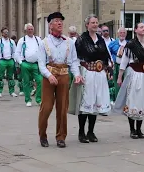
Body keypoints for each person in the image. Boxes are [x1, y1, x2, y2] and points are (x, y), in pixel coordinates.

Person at [38, 12, 82, 148]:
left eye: (61, 21)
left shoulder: (69, 42)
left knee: (62, 108)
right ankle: (42, 135)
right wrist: (49, 75)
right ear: (50, 25)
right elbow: (40, 64)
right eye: (56, 21)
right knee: (46, 107)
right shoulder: (44, 42)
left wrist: (77, 74)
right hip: (49, 75)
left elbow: (73, 61)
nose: (59, 23)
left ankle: (61, 137)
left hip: (63, 74)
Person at [71, 14, 113, 143]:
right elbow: (76, 58)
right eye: (92, 22)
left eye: (96, 22)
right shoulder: (81, 39)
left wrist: (109, 68)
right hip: (87, 72)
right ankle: (81, 131)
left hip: (99, 74)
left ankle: (91, 131)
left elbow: (106, 56)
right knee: (86, 103)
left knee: (96, 102)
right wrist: (77, 74)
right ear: (87, 25)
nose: (95, 24)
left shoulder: (100, 40)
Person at [114, 22, 144, 139]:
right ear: (135, 30)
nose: (143, 29)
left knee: (143, 101)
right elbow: (124, 61)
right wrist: (120, 76)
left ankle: (139, 129)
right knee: (133, 101)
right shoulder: (131, 45)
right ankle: (132, 129)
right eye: (141, 27)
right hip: (135, 74)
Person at [15, 23, 43, 107]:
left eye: (31, 29)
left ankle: (38, 99)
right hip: (25, 64)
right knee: (26, 82)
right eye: (29, 29)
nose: (30, 31)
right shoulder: (22, 40)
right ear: (26, 30)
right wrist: (21, 63)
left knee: (40, 80)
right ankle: (28, 100)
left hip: (36, 64)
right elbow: (17, 53)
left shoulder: (38, 39)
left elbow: (42, 51)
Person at [0, 27, 18, 98]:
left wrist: (14, 60)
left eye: (7, 32)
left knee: (11, 77)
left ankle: (12, 91)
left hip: (10, 60)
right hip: (2, 60)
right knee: (0, 76)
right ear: (2, 33)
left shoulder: (12, 41)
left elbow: (14, 51)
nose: (6, 33)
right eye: (5, 32)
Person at [108, 27, 127, 104]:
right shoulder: (113, 43)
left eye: (124, 33)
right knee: (116, 83)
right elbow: (108, 53)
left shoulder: (129, 43)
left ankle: (125, 101)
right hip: (116, 65)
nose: (122, 34)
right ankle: (117, 100)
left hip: (126, 66)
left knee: (126, 83)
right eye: (121, 32)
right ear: (118, 34)